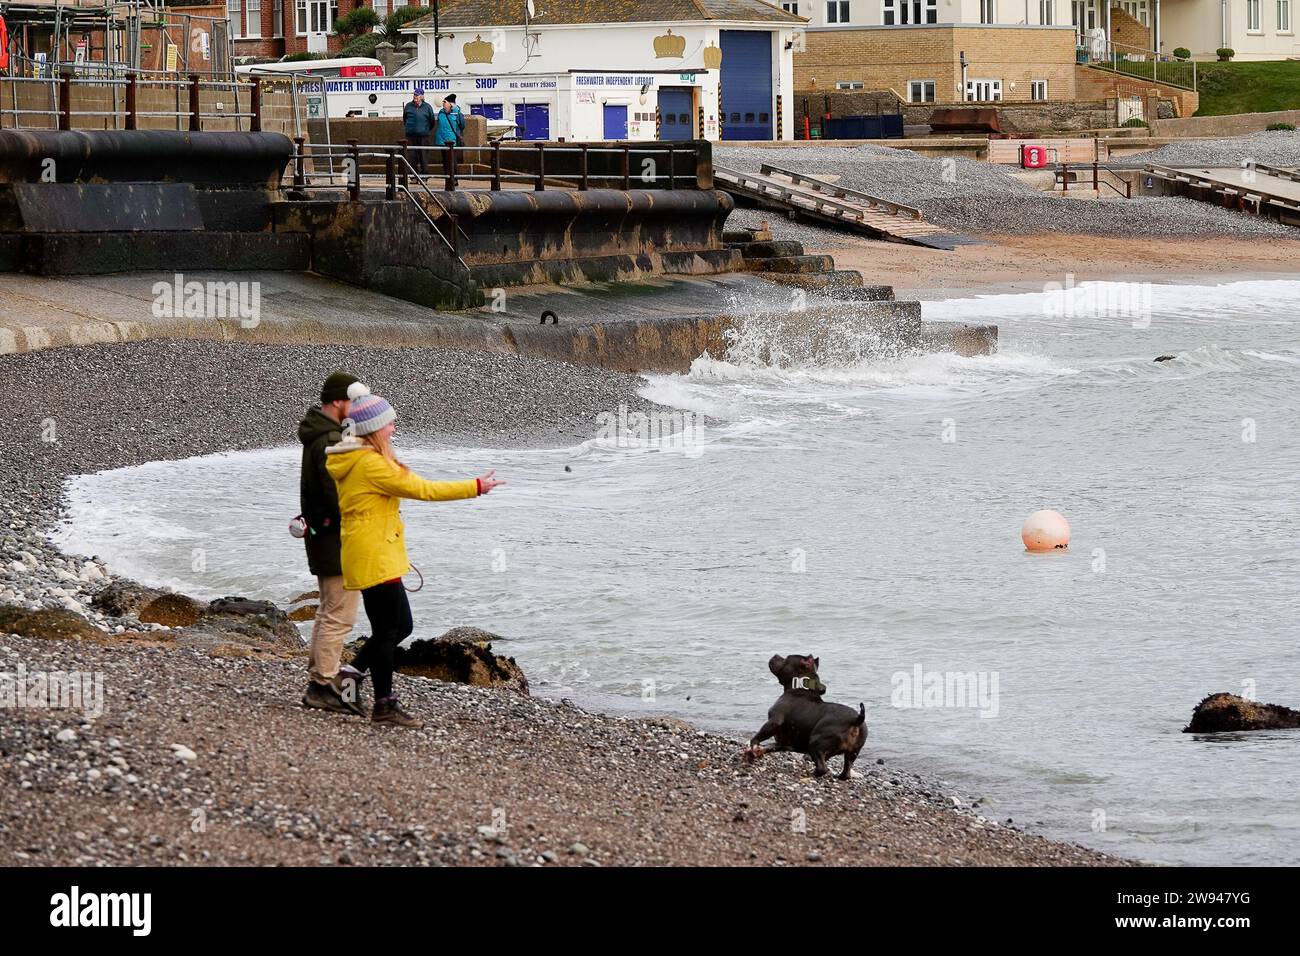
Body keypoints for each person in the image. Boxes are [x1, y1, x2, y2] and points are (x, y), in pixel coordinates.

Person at [326, 394, 504, 728]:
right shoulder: (371, 464)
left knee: (398, 628)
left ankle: (347, 679)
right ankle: (383, 706)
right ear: (374, 429)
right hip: (373, 556)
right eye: (389, 423)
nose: (394, 428)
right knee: (388, 630)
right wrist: (477, 486)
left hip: (375, 553)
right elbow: (424, 489)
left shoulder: (356, 458)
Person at [298, 371, 371, 716]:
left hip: (322, 537)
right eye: (354, 403)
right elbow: (337, 496)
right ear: (340, 402)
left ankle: (319, 679)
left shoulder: (319, 435)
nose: (357, 410)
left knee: (330, 611)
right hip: (336, 540)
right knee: (340, 615)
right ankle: (322, 684)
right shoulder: (329, 441)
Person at [402, 87, 437, 175]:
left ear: (422, 96)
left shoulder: (427, 107)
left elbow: (432, 121)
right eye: (414, 95)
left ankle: (424, 176)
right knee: (411, 157)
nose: (415, 96)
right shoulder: (408, 106)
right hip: (410, 135)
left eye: (417, 95)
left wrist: (425, 129)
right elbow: (405, 119)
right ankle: (413, 176)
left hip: (423, 136)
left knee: (423, 156)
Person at [433, 93, 465, 181]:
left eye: (445, 102)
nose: (443, 104)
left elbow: (462, 126)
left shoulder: (458, 114)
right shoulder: (441, 112)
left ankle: (454, 179)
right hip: (442, 141)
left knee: (452, 161)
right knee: (445, 161)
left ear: (450, 104)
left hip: (452, 141)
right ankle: (447, 178)